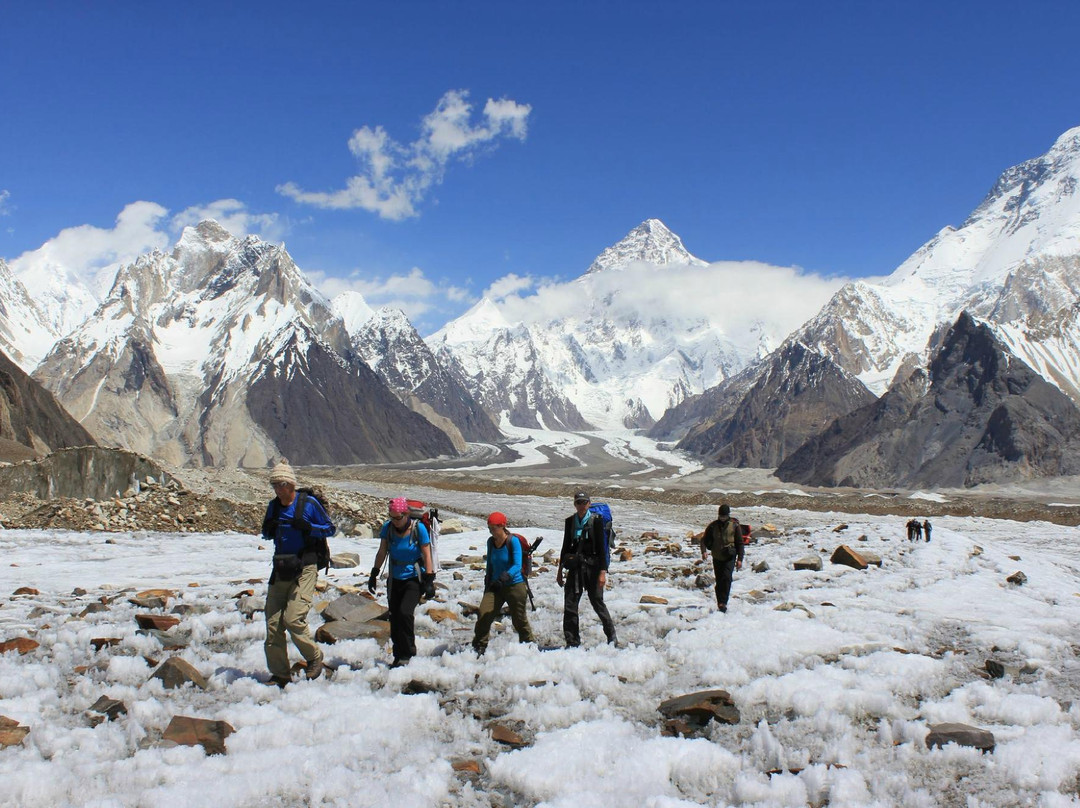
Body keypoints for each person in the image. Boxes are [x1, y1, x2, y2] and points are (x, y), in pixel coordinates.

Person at [261, 459, 336, 686]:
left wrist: (309, 528)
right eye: (275, 485)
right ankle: (280, 673)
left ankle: (314, 656)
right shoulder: (274, 507)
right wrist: (270, 530)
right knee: (273, 624)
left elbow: (330, 528)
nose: (278, 489)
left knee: (293, 618)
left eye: (281, 484)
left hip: (305, 566)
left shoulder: (308, 504)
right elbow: (266, 532)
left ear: (291, 484)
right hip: (282, 566)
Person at [367, 497, 436, 667]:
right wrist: (374, 573)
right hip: (394, 579)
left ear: (406, 514)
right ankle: (398, 655)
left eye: (398, 518)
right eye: (392, 517)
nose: (395, 521)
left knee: (405, 613)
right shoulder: (388, 528)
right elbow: (382, 552)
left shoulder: (418, 529)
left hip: (413, 578)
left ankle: (408, 652)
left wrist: (429, 579)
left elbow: (427, 554)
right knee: (395, 616)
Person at [557, 491, 617, 647]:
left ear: (589, 504)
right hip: (576, 568)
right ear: (575, 504)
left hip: (593, 568)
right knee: (570, 604)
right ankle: (572, 642)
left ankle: (611, 636)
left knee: (597, 602)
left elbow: (602, 549)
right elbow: (565, 546)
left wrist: (603, 572)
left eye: (584, 502)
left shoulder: (596, 521)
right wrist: (560, 570)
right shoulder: (570, 522)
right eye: (579, 502)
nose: (582, 505)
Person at [472, 512, 535, 655]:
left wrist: (504, 578)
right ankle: (479, 646)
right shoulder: (491, 542)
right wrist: (488, 581)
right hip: (495, 586)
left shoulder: (513, 541)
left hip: (515, 585)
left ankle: (529, 645)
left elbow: (517, 565)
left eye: (494, 528)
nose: (491, 532)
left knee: (519, 620)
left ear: (502, 526)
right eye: (489, 528)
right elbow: (490, 563)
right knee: (484, 614)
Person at [700, 503, 745, 612]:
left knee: (727, 578)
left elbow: (740, 543)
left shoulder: (734, 526)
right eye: (721, 516)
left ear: (728, 515)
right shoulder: (713, 526)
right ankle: (720, 602)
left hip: (730, 556)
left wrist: (740, 559)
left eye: (724, 516)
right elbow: (704, 540)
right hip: (717, 556)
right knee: (719, 580)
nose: (722, 518)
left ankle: (723, 602)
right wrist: (704, 551)